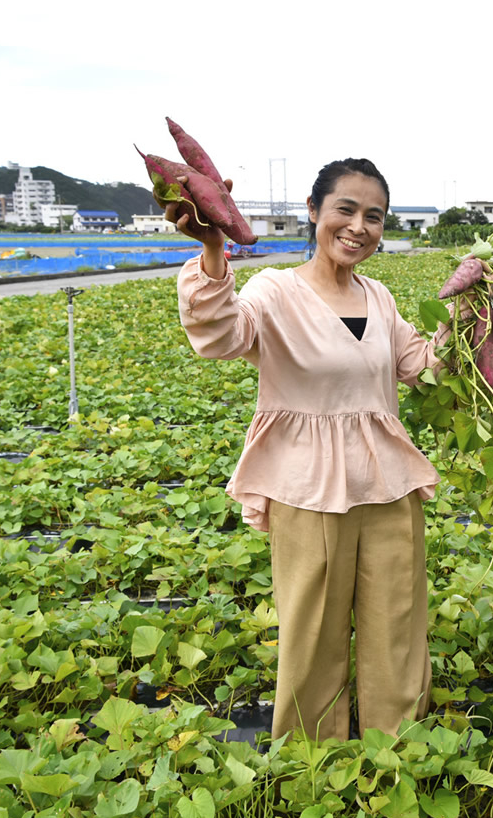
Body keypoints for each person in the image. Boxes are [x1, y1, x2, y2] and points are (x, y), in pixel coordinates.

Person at [168, 159, 450, 742]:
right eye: (345, 209)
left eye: (374, 217)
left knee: (397, 616)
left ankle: (393, 745)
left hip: (387, 478)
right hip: (308, 482)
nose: (358, 227)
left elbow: (418, 367)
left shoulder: (380, 296)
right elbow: (222, 335)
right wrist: (214, 249)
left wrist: (471, 329)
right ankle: (312, 756)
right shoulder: (276, 290)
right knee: (314, 625)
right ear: (314, 211)